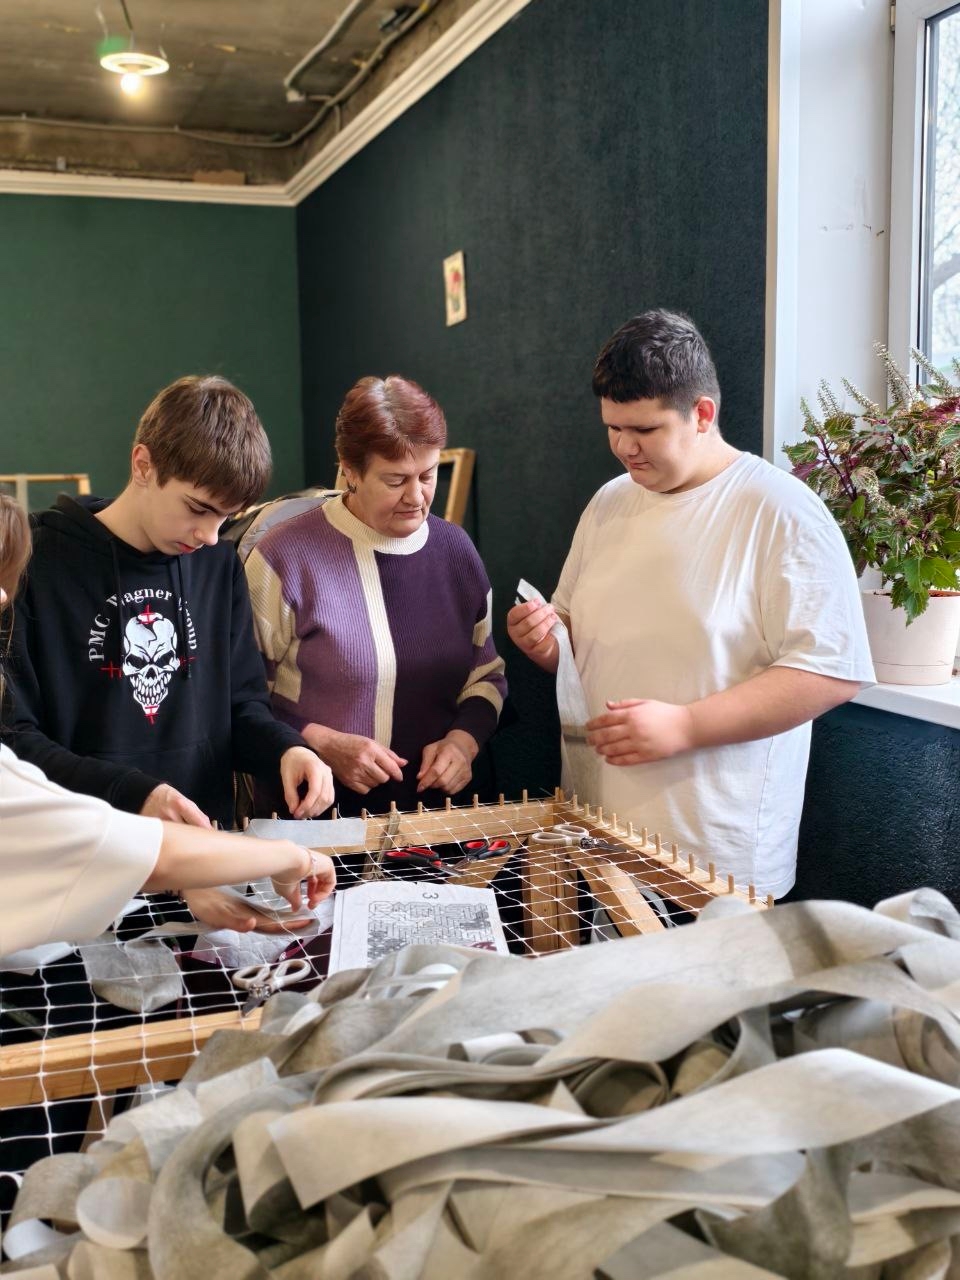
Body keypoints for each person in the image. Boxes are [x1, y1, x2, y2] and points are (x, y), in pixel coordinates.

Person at [507, 310, 875, 899]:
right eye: (612, 427)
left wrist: (686, 726)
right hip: (601, 829)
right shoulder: (608, 503)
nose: (624, 447)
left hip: (715, 852)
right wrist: (544, 641)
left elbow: (830, 672)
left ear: (702, 414)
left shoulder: (780, 511)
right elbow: (575, 641)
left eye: (644, 430)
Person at [1, 376, 335, 930]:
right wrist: (138, 795)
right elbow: (15, 741)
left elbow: (242, 707)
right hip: (82, 876)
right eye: (198, 508)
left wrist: (285, 750)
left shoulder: (218, 565)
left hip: (208, 868)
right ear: (143, 465)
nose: (209, 535)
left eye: (225, 517)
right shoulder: (36, 562)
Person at [244, 375, 507, 816]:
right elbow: (242, 700)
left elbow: (486, 676)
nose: (416, 496)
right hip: (319, 820)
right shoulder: (283, 557)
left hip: (438, 823)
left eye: (428, 475)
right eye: (395, 480)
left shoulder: (456, 551)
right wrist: (322, 743)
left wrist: (464, 743)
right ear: (350, 469)